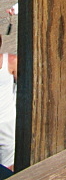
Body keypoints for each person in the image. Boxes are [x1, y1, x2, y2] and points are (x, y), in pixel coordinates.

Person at [0, 34, 16, 171]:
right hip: (6, 120)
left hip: (6, 121)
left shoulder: (10, 61)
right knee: (7, 165)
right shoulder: (10, 61)